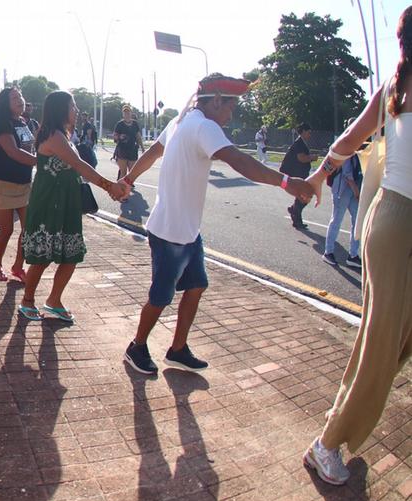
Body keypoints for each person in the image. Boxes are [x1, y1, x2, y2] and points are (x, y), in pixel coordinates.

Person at [119, 74, 314, 375]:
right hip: (170, 231)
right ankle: (137, 347)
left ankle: (178, 348)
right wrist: (288, 182)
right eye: (230, 106)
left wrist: (130, 179)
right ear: (218, 100)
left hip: (185, 229)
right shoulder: (203, 126)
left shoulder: (181, 121)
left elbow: (151, 153)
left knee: (197, 285)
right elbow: (241, 163)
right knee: (160, 297)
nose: (231, 114)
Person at [301, 5, 412, 486]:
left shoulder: (392, 87)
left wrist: (319, 175)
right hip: (397, 225)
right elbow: (351, 138)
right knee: (380, 343)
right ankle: (326, 443)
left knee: (397, 339)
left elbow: (348, 139)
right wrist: (316, 177)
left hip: (393, 220)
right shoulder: (395, 87)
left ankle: (344, 422)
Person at [17, 91, 128, 321]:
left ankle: (54, 301)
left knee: (71, 254)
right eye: (72, 106)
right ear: (60, 109)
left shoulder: (65, 134)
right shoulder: (54, 135)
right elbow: (79, 165)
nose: (76, 111)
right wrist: (110, 187)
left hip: (66, 202)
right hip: (48, 202)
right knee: (43, 255)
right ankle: (28, 300)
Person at [0, 87, 37, 282]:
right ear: (5, 103)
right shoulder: (1, 123)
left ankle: (18, 266)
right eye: (15, 98)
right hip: (3, 183)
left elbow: (29, 147)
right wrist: (39, 161)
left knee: (28, 228)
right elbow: (13, 152)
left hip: (23, 183)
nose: (20, 100)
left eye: (21, 96)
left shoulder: (23, 122)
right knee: (6, 230)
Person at [322, 151, 362, 268]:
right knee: (337, 220)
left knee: (356, 220)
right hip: (342, 189)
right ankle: (328, 252)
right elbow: (347, 172)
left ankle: (353, 255)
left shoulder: (360, 147)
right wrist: (356, 190)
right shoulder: (347, 145)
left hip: (354, 188)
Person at [280, 122, 318, 229]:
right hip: (296, 175)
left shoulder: (301, 142)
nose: (310, 135)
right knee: (305, 195)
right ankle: (296, 217)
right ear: (303, 131)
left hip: (298, 174)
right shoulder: (299, 144)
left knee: (303, 196)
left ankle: (294, 212)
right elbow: (301, 158)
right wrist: (312, 157)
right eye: (309, 132)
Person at [112, 105, 143, 180]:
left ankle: (127, 187)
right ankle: (120, 188)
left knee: (132, 171)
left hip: (132, 149)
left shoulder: (135, 124)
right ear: (123, 114)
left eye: (128, 112)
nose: (127, 114)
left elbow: (138, 136)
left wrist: (142, 147)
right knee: (123, 172)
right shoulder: (120, 124)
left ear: (131, 113)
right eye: (125, 112)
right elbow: (115, 136)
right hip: (122, 150)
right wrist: (120, 137)